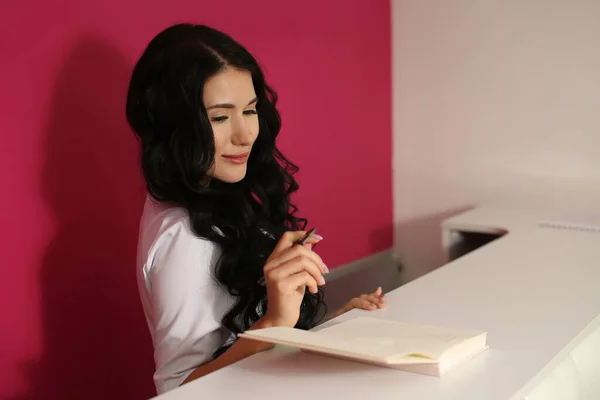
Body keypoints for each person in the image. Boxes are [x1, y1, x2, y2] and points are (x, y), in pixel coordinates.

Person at [125, 23, 386, 395]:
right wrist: (276, 322)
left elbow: (243, 341)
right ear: (173, 125)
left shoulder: (214, 194)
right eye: (219, 117)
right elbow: (175, 389)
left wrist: (329, 330)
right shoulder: (182, 235)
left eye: (249, 111)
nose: (245, 134)